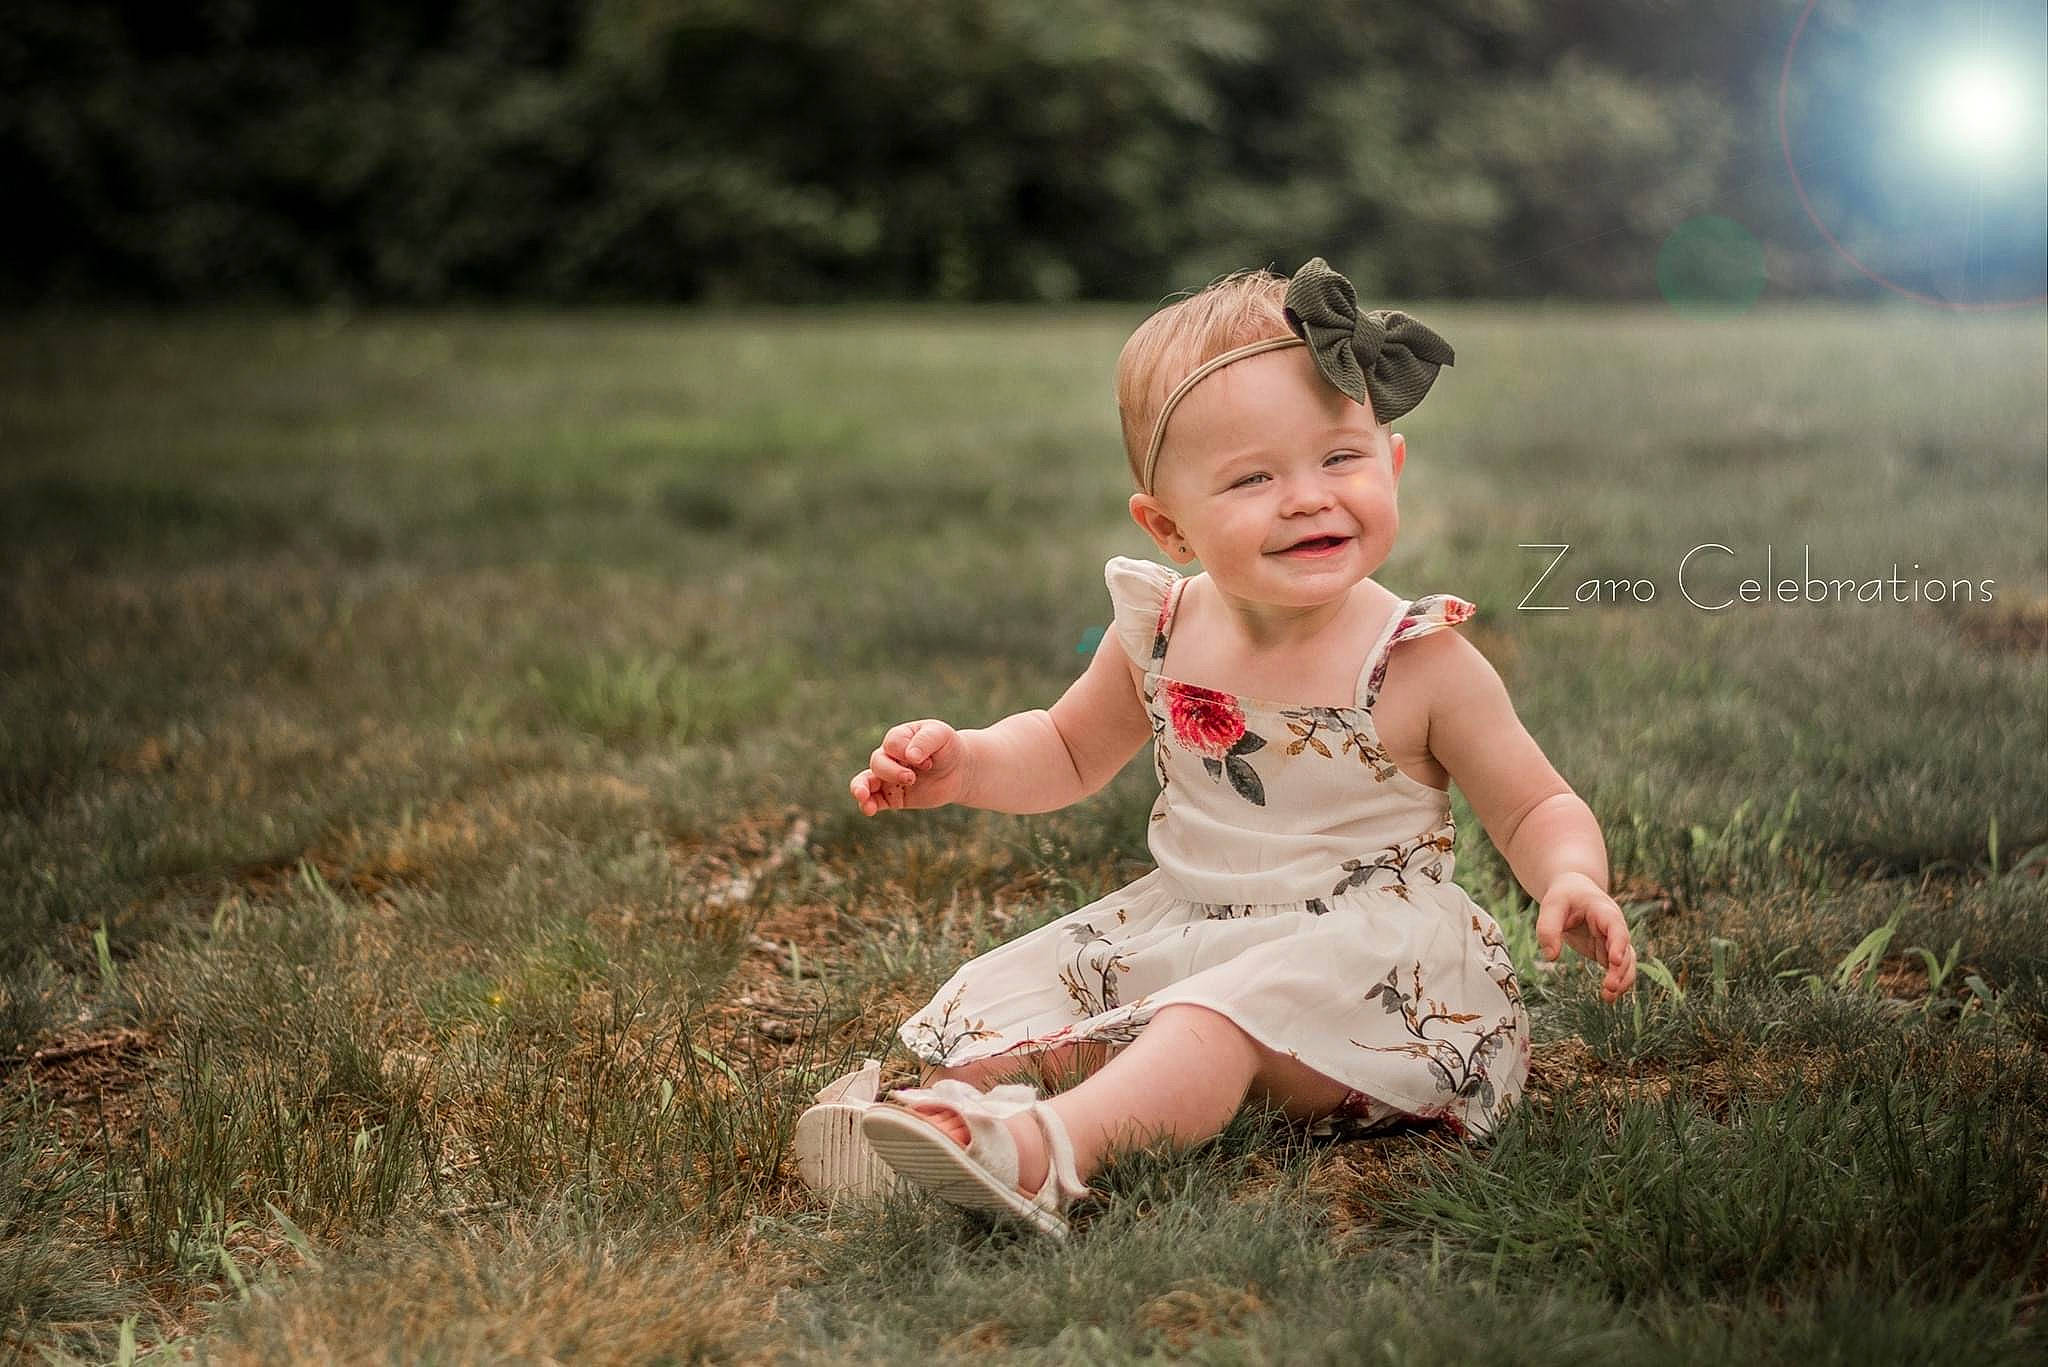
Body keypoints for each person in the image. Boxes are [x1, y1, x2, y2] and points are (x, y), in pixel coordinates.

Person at [803, 257, 1637, 1241]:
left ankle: (1041, 1154)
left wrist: (1568, 876)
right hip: (1195, 926)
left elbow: (1531, 803)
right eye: (1252, 477)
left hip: (1371, 976)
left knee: (1206, 1024)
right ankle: (945, 1114)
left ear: (1391, 462)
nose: (1306, 498)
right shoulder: (1160, 630)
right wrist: (967, 764)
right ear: (1170, 528)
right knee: (1039, 1021)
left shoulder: (1416, 661)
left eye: (1339, 458)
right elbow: (1067, 750)